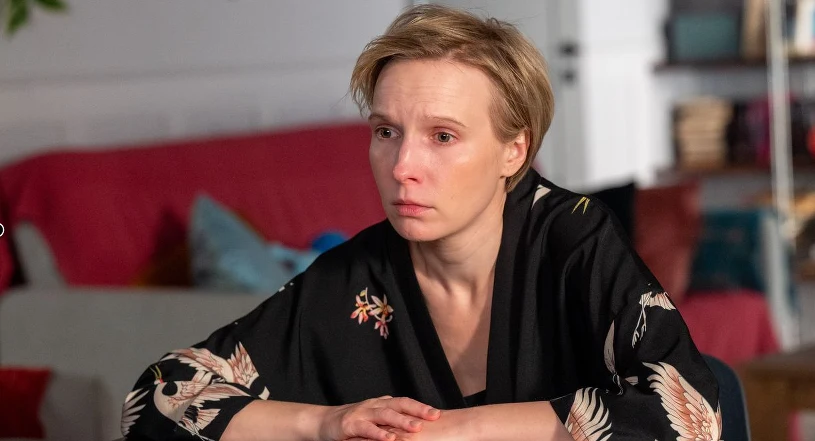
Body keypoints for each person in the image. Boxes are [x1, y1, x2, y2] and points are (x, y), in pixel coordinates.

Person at [121, 5, 720, 441]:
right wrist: (325, 422)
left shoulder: (573, 241)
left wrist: (455, 430)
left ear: (514, 150)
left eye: (443, 136)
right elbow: (155, 401)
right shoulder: (354, 278)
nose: (403, 166)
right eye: (386, 131)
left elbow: (687, 417)